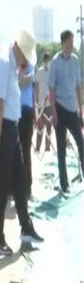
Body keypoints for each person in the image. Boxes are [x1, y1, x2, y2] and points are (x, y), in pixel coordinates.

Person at [0, 30, 43, 255]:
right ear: (18, 49)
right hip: (3, 128)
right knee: (2, 186)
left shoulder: (12, 66)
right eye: (25, 56)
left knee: (20, 181)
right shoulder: (4, 64)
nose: (26, 61)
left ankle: (26, 227)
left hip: (12, 127)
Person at [48, 30, 84, 195]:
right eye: (69, 42)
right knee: (61, 147)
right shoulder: (55, 63)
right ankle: (64, 183)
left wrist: (81, 108)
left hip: (72, 108)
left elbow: (78, 86)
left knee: (81, 142)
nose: (71, 45)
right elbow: (51, 88)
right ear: (63, 43)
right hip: (60, 107)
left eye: (72, 42)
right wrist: (54, 112)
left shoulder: (75, 61)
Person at [18, 59, 36, 198]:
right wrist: (23, 74)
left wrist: (35, 111)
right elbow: (20, 82)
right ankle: (15, 187)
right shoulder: (16, 66)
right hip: (17, 112)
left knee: (26, 150)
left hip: (28, 111)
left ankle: (28, 186)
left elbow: (28, 86)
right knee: (16, 151)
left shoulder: (31, 66)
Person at [34, 53, 53, 152]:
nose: (47, 62)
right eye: (46, 60)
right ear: (43, 61)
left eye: (48, 60)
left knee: (49, 125)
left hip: (49, 103)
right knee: (40, 125)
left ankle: (47, 146)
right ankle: (38, 146)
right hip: (41, 103)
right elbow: (36, 86)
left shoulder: (51, 72)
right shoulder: (39, 72)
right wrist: (36, 100)